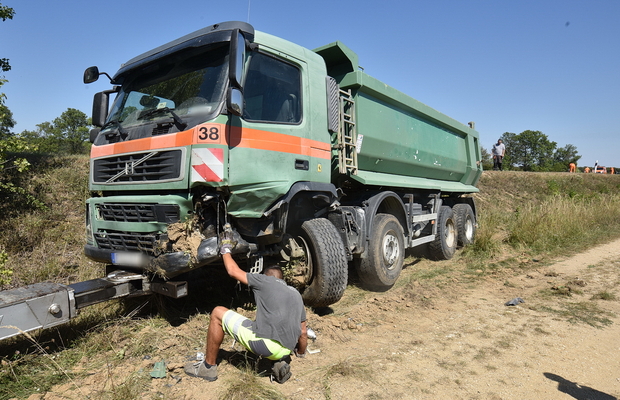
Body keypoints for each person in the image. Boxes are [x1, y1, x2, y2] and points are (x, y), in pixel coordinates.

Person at [184, 231, 307, 384]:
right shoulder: (296, 294)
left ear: (266, 276)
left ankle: (208, 368)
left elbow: (233, 271)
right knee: (267, 325)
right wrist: (300, 352)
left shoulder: (265, 281)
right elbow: (303, 332)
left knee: (217, 312)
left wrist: (225, 248)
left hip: (265, 346)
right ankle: (278, 362)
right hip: (286, 350)